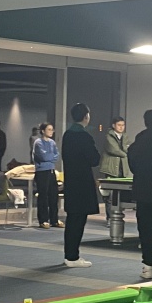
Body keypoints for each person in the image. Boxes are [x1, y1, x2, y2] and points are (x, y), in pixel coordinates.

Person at [127, 109, 152, 280]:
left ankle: (148, 266)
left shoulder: (139, 140)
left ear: (146, 122)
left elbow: (133, 164)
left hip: (143, 193)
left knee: (146, 232)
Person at [60, 102, 100, 268]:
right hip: (82, 182)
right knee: (78, 221)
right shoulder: (84, 136)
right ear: (86, 116)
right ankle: (73, 256)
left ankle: (70, 254)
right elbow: (94, 159)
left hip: (71, 181)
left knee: (72, 220)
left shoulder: (67, 135)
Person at [32, 122, 61, 229]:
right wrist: (50, 157)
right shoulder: (38, 142)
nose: (51, 131)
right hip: (42, 172)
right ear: (43, 131)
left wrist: (50, 157)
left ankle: (54, 220)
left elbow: (57, 156)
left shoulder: (52, 143)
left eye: (52, 129)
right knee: (43, 196)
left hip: (51, 170)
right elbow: (44, 157)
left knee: (54, 195)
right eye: (49, 129)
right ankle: (43, 220)